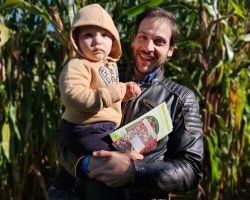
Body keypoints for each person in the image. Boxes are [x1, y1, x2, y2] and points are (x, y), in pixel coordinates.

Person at [50, 6, 204, 200]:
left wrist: (134, 171)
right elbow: (61, 138)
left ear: (170, 50)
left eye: (159, 42)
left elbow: (192, 169)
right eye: (143, 37)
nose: (148, 47)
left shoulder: (180, 99)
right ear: (133, 40)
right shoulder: (104, 79)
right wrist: (85, 164)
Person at [48, 3, 142, 200]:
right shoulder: (77, 65)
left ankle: (61, 190)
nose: (97, 41)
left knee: (106, 156)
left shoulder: (109, 66)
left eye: (105, 35)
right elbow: (73, 95)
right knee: (114, 158)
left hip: (101, 128)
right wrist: (113, 92)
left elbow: (109, 99)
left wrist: (125, 93)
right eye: (88, 35)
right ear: (77, 41)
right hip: (82, 128)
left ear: (114, 40)